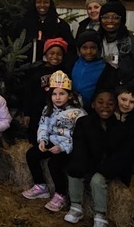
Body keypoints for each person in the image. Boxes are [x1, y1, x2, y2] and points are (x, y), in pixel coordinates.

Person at [65, 89, 134, 227]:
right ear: (93, 104)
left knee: (97, 180)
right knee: (74, 170)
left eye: (110, 104)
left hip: (108, 167)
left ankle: (100, 216)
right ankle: (76, 206)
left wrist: (105, 170)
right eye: (100, 102)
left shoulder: (124, 130)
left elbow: (122, 156)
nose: (105, 107)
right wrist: (80, 164)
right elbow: (80, 147)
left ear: (115, 107)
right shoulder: (83, 123)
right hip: (89, 162)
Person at [21, 71, 86, 211]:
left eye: (61, 94)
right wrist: (42, 140)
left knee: (54, 164)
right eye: (54, 94)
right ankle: (41, 186)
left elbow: (79, 137)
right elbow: (43, 126)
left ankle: (61, 194)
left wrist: (62, 147)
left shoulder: (78, 114)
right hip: (52, 141)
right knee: (31, 154)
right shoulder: (48, 109)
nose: (57, 97)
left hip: (68, 147)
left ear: (69, 95)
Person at [18, 37, 74, 141]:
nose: (55, 57)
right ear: (46, 54)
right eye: (51, 53)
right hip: (37, 111)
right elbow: (29, 93)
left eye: (59, 54)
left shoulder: (65, 73)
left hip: (56, 114)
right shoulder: (37, 71)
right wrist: (27, 113)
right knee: (35, 138)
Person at [99, 0, 134, 89]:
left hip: (126, 92)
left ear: (122, 20)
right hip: (101, 92)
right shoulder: (96, 40)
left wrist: (125, 91)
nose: (110, 21)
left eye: (115, 17)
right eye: (105, 17)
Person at [22, 0, 75, 64]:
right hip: (28, 69)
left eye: (46, 2)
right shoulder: (25, 24)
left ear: (51, 4)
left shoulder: (61, 25)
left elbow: (70, 49)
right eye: (39, 2)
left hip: (52, 70)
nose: (42, 5)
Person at [72, 30, 108, 108]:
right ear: (79, 49)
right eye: (84, 48)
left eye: (93, 48)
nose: (89, 51)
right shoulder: (73, 62)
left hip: (92, 109)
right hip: (71, 106)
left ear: (98, 49)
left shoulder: (105, 68)